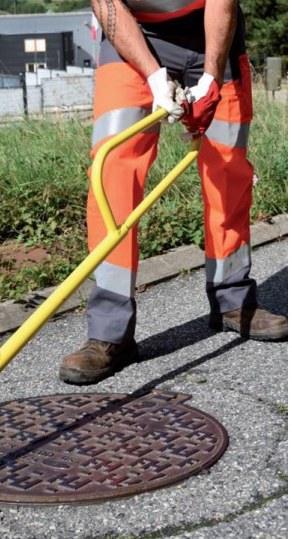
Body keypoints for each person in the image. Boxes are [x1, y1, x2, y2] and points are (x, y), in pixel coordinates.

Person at [59, 0, 288, 385]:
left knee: (228, 172)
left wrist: (212, 78)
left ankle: (232, 300)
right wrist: (153, 75)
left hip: (215, 37)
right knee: (112, 171)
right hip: (134, 38)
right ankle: (109, 332)